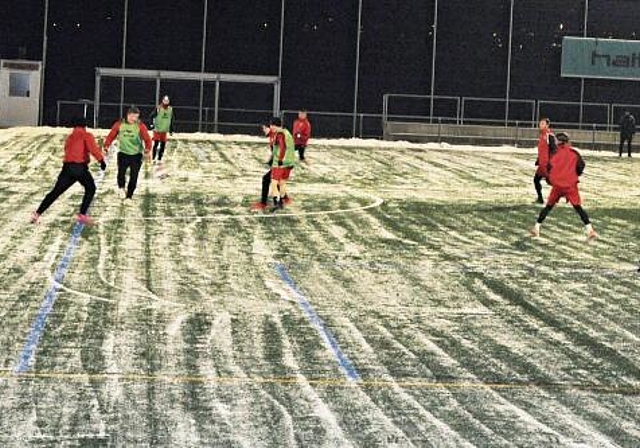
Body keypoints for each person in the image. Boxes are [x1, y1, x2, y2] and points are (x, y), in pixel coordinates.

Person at [31, 117, 106, 225]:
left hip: (67, 168)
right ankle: (82, 215)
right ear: (84, 126)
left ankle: (37, 213)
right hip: (80, 168)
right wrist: (101, 161)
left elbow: (67, 149)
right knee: (91, 188)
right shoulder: (86, 135)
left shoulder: (70, 137)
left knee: (56, 192)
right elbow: (93, 149)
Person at [530, 132, 597, 241]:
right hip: (570, 185)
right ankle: (590, 230)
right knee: (578, 208)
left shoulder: (554, 154)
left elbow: (548, 168)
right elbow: (581, 166)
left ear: (559, 142)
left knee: (548, 207)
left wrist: (551, 180)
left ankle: (536, 227)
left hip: (558, 185)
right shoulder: (574, 153)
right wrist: (574, 174)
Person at [103, 105, 152, 202]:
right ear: (128, 115)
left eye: (137, 117)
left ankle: (129, 196)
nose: (135, 119)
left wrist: (147, 150)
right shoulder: (119, 124)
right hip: (123, 154)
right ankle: (121, 188)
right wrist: (106, 146)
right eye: (133, 116)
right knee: (121, 173)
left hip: (136, 155)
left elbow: (147, 140)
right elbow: (111, 135)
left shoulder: (140, 126)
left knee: (134, 176)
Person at [269, 117, 296, 210]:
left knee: (274, 183)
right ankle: (281, 202)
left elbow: (283, 147)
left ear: (274, 125)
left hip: (281, 163)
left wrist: (280, 159)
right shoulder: (286, 132)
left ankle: (276, 202)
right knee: (282, 183)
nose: (270, 128)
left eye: (271, 126)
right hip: (290, 162)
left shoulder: (280, 134)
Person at [251, 124, 278, 212]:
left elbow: (278, 151)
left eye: (265, 129)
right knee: (272, 181)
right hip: (278, 163)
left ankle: (268, 203)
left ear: (270, 127)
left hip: (280, 164)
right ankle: (275, 202)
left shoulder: (275, 136)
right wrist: (270, 161)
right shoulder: (272, 136)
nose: (264, 131)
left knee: (268, 179)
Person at [533, 118, 556, 204]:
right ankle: (540, 199)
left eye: (542, 124)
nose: (540, 125)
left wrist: (551, 163)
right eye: (540, 123)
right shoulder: (542, 136)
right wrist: (538, 160)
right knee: (536, 180)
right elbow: (542, 150)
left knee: (551, 182)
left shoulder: (550, 136)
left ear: (547, 125)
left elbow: (554, 150)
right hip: (542, 165)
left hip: (547, 165)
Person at [149, 95, 175, 163]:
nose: (166, 102)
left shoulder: (170, 109)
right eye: (165, 100)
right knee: (156, 143)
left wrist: (171, 130)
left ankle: (159, 159)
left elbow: (172, 120)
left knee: (163, 145)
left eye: (167, 100)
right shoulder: (158, 108)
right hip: (157, 129)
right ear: (162, 101)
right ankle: (153, 158)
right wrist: (151, 124)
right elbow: (151, 116)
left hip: (164, 130)